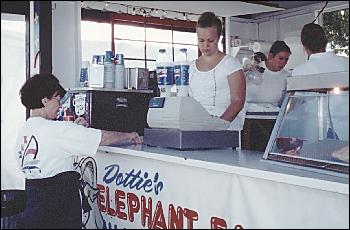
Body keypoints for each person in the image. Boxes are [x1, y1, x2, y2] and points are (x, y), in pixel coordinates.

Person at [15, 73, 141, 229]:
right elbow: (101, 138)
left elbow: (56, 144)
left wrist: (73, 129)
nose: (60, 105)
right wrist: (129, 135)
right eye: (57, 99)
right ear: (45, 101)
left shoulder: (25, 129)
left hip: (34, 206)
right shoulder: (56, 130)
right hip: (58, 207)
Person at [189, 12, 246, 132]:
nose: (205, 45)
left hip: (226, 128)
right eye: (201, 40)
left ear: (219, 38)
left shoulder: (231, 64)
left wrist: (218, 126)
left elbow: (238, 101)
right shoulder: (191, 67)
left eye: (210, 40)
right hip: (196, 128)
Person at [242, 41, 291, 151]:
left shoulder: (287, 77)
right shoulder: (254, 68)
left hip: (272, 119)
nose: (283, 63)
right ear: (270, 56)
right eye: (281, 58)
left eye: (286, 60)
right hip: (248, 120)